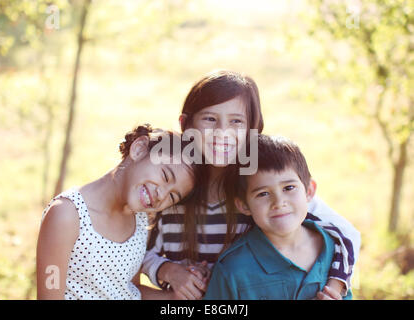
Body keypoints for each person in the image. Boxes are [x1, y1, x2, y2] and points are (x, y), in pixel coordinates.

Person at [141, 70, 360, 300]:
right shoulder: (171, 188)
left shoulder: (262, 188)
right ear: (186, 124)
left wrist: (335, 287)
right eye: (209, 119)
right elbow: (137, 253)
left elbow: (344, 235)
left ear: (253, 130)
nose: (222, 133)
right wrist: (168, 271)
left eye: (236, 121)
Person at [36, 124, 195, 300]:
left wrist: (174, 298)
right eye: (165, 175)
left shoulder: (141, 221)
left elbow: (128, 290)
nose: (162, 194)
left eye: (173, 196)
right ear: (139, 149)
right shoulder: (66, 214)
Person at [204, 134, 352, 300]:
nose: (279, 202)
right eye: (263, 193)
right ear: (244, 205)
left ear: (309, 191)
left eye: (288, 188)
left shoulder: (334, 247)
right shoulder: (233, 269)